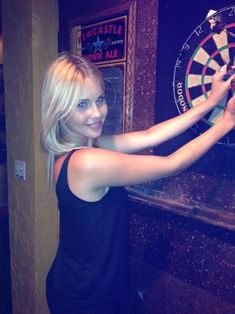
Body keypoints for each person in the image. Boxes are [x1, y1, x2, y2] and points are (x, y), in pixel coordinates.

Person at [40, 52, 235, 314]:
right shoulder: (86, 162)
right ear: (59, 110)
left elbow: (150, 136)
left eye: (99, 99)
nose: (97, 113)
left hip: (84, 283)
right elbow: (172, 164)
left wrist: (211, 102)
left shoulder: (81, 147)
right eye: (82, 105)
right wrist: (226, 123)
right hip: (86, 298)